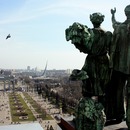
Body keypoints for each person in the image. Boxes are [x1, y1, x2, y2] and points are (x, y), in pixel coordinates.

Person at [65, 12, 112, 130]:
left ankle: (92, 116)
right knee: (102, 87)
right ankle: (100, 114)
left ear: (92, 20)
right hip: (105, 61)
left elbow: (85, 47)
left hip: (92, 61)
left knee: (89, 86)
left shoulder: (90, 32)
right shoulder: (108, 34)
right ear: (102, 20)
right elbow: (112, 50)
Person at [109, 5, 130, 129]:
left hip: (120, 67)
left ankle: (120, 114)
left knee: (119, 91)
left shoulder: (119, 28)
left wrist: (113, 14)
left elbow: (114, 23)